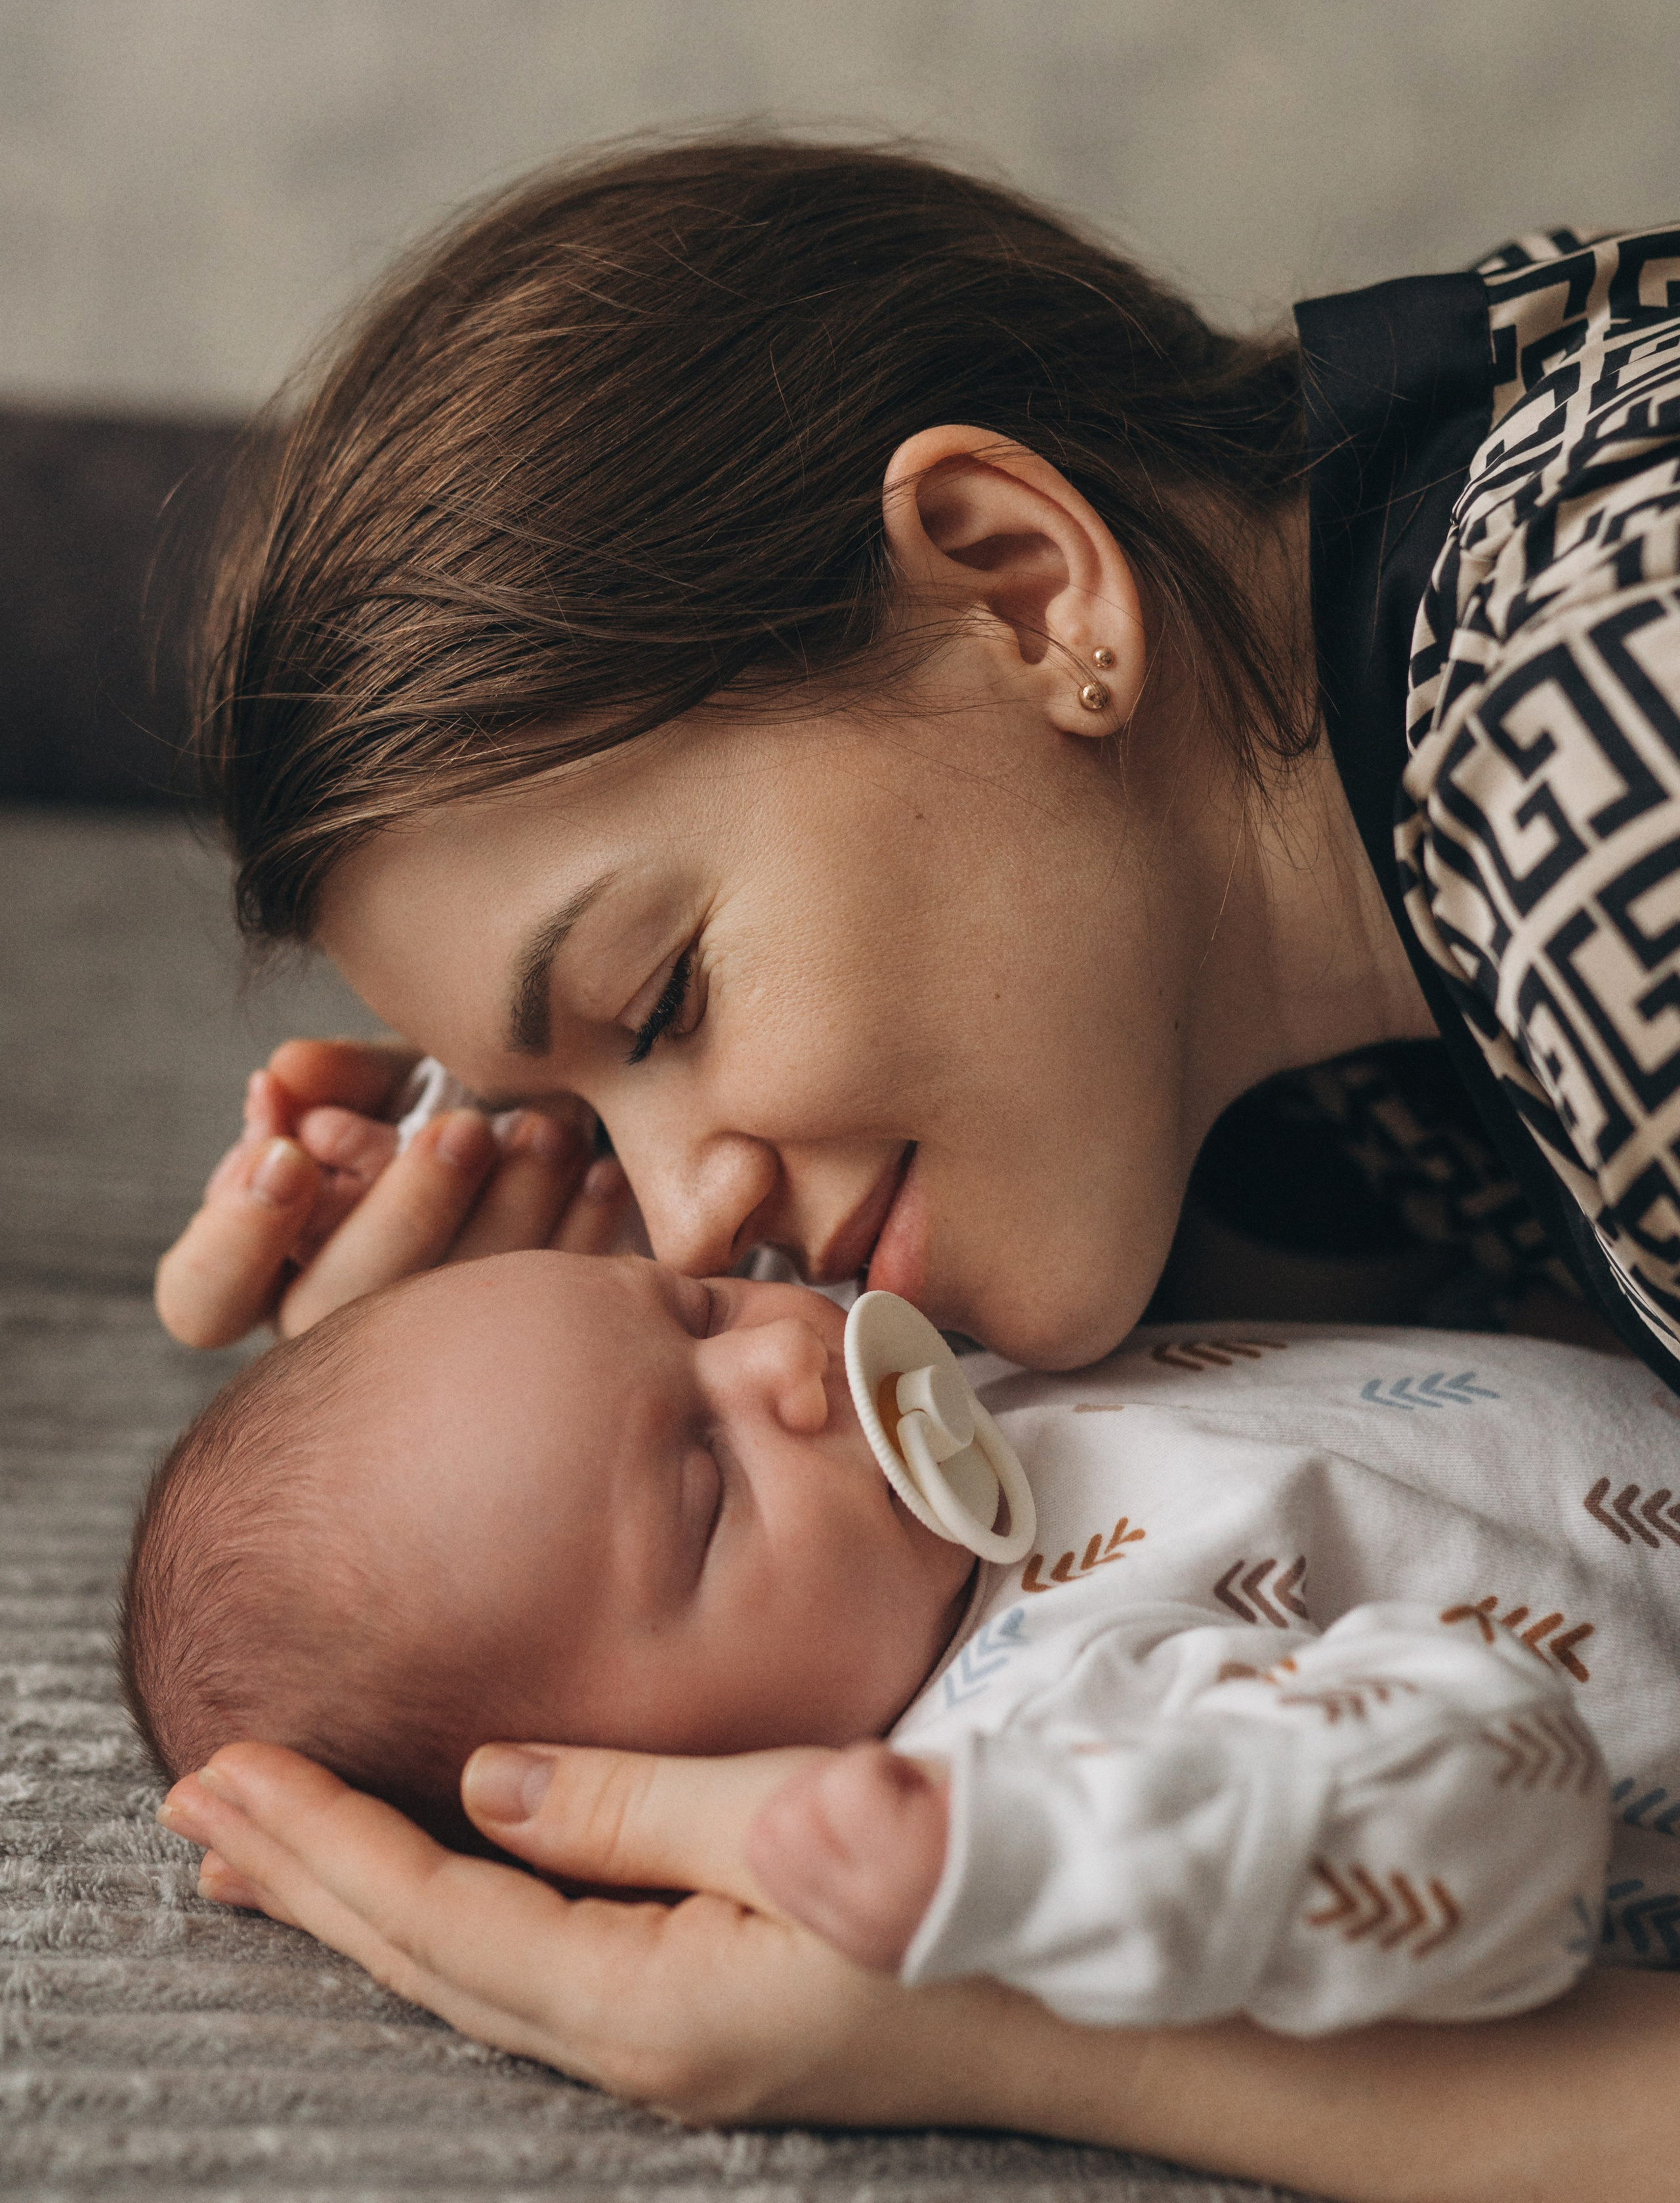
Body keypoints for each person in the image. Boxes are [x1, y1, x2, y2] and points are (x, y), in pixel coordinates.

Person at [148, 139, 1680, 2191]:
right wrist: (496, 1445)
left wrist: (1012, 2038)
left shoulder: (1618, 769)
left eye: (665, 993)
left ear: (1021, 587)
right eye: (583, 1119)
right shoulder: (1329, 940)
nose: (698, 1215)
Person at [146, 1249, 1643, 2036]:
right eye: (704, 1483)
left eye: (693, 1301)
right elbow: (1496, 1834)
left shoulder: (939, 1416)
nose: (786, 1354)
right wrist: (1035, 1859)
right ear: (633, 1799)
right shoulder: (1038, 1729)